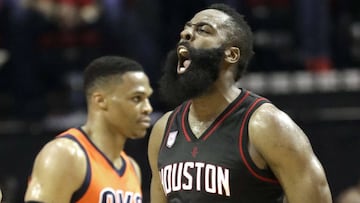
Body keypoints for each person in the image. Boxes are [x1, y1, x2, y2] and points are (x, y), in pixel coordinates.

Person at [148, 3, 332, 203]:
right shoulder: (163, 130)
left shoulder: (266, 126)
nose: (186, 34)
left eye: (203, 30)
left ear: (231, 54)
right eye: (186, 29)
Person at [24, 56, 153, 202]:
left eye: (148, 98)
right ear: (100, 100)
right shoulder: (64, 155)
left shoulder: (133, 169)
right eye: (137, 98)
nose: (148, 108)